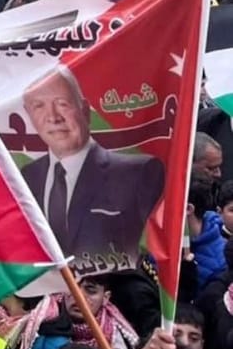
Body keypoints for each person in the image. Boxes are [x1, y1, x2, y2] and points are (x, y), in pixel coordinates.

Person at [20, 66, 163, 258]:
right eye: (39, 106)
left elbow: (158, 248)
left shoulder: (138, 173)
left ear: (85, 111)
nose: (53, 117)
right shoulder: (25, 178)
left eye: (62, 104)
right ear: (28, 115)